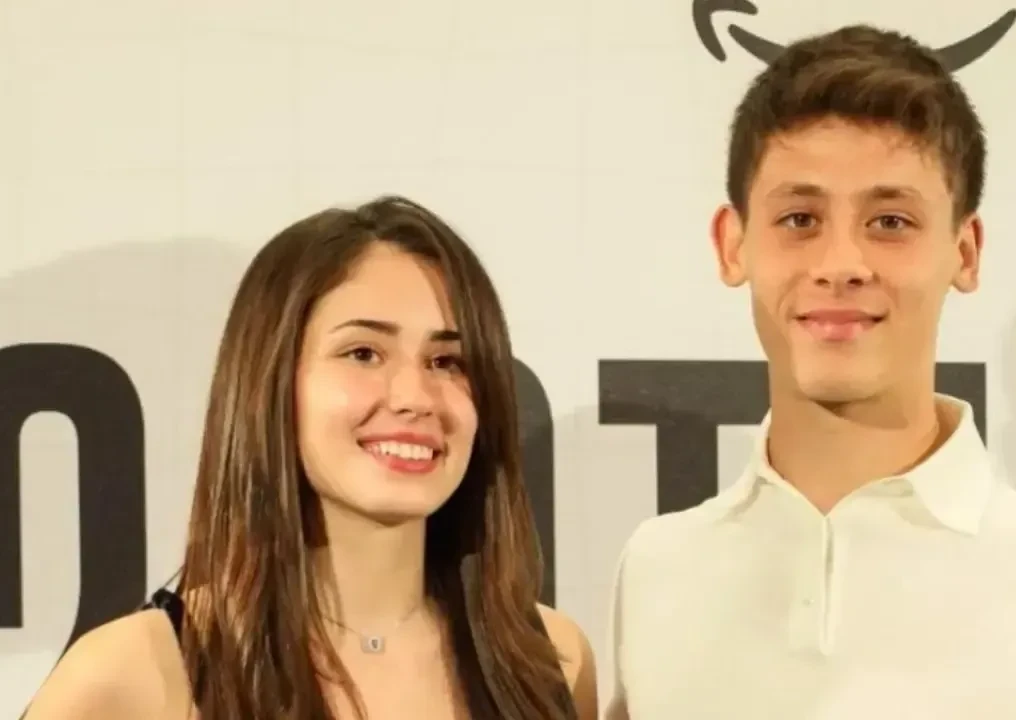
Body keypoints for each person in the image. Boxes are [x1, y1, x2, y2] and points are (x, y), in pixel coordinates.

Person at [604, 25, 1016, 720]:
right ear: (732, 245)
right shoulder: (657, 570)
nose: (841, 263)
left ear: (965, 251)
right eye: (799, 218)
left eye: (890, 221)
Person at [23, 196, 597, 719]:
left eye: (447, 362)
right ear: (271, 382)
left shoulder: (551, 662)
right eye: (363, 353)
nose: (415, 397)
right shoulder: (129, 680)